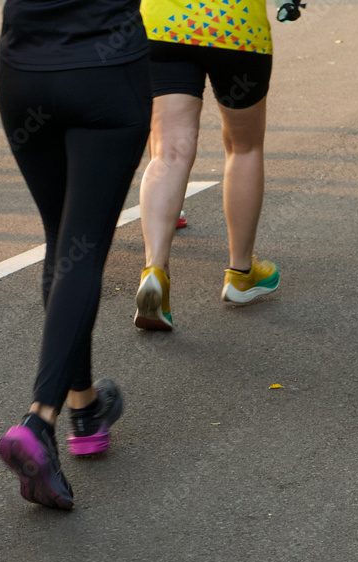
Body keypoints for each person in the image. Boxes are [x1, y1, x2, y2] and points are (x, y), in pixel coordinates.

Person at [0, 0, 152, 508]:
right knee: (82, 248)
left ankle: (85, 409)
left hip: (24, 73)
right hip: (106, 73)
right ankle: (40, 419)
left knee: (63, 239)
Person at [132, 0, 281, 331]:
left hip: (163, 25)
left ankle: (155, 270)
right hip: (237, 29)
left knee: (167, 152)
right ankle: (240, 274)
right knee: (244, 147)